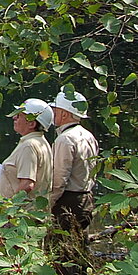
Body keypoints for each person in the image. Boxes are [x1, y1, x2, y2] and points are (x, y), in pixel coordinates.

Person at [47, 88, 99, 275]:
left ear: (64, 113)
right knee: (80, 251)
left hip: (68, 202)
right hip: (86, 198)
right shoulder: (88, 136)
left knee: (63, 255)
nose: (52, 113)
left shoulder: (65, 139)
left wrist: (48, 203)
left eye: (55, 110)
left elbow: (59, 179)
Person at [0, 98, 53, 199]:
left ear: (32, 124)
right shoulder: (41, 142)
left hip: (22, 213)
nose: (14, 117)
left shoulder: (29, 146)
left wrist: (8, 209)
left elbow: (27, 185)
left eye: (18, 115)